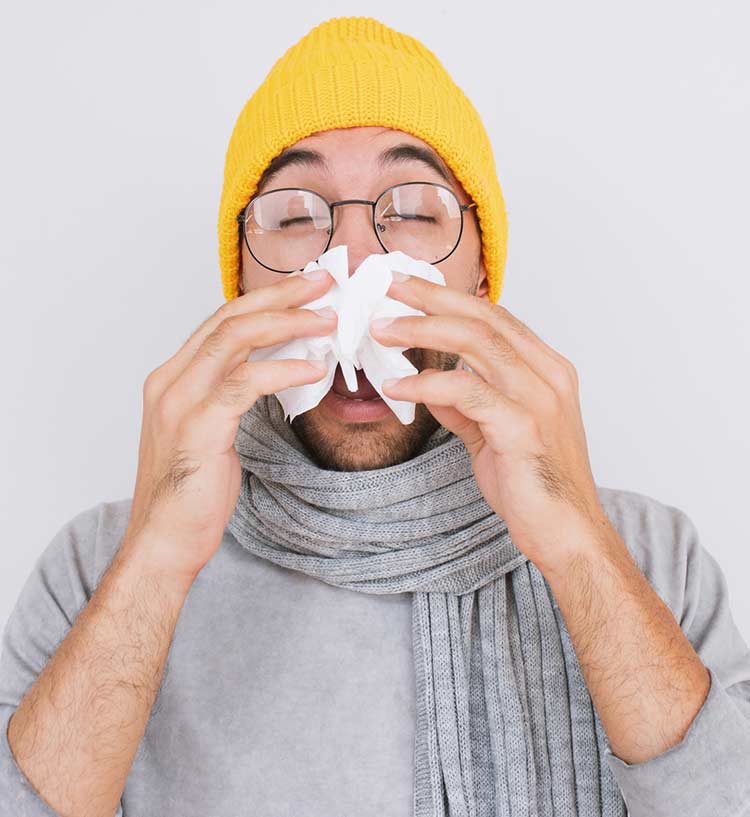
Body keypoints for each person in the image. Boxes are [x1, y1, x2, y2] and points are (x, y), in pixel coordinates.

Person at [2, 15, 749, 817]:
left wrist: (578, 544)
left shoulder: (650, 557)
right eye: (295, 217)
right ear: (243, 287)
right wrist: (153, 562)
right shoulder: (99, 568)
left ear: (478, 280)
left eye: (415, 211)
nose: (353, 260)